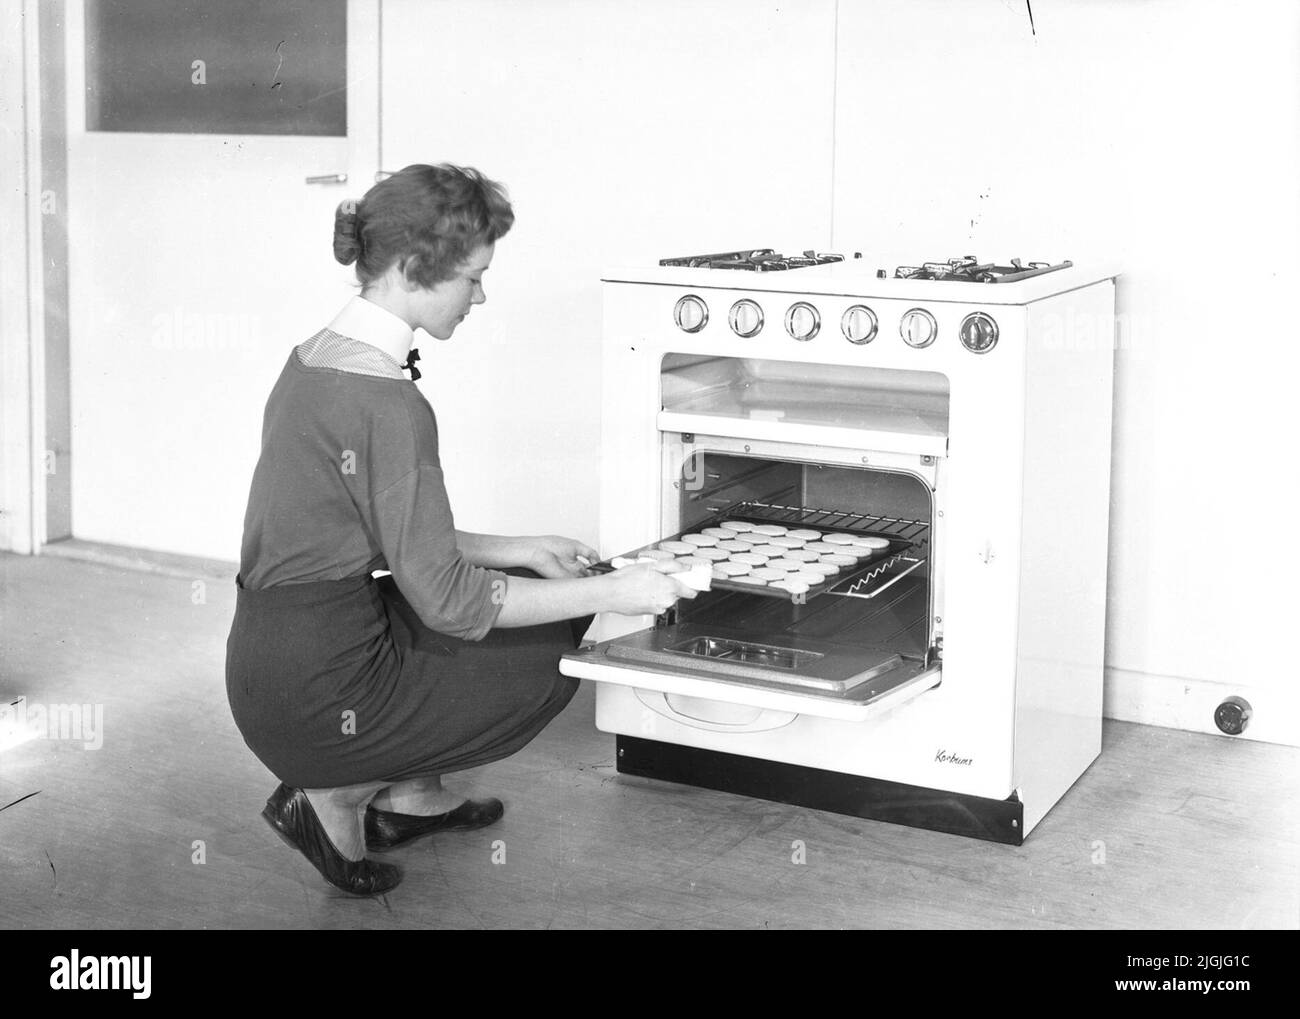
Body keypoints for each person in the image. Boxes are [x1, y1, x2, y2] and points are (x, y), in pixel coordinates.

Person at [225, 163, 694, 896]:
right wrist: (618, 590)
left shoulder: (314, 359)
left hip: (266, 668)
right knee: (552, 639)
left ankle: (412, 800)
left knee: (535, 584)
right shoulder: (388, 403)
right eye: (473, 277)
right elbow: (455, 604)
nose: (482, 295)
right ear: (416, 269)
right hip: (321, 697)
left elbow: (371, 526)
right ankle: (333, 794)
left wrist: (526, 548)